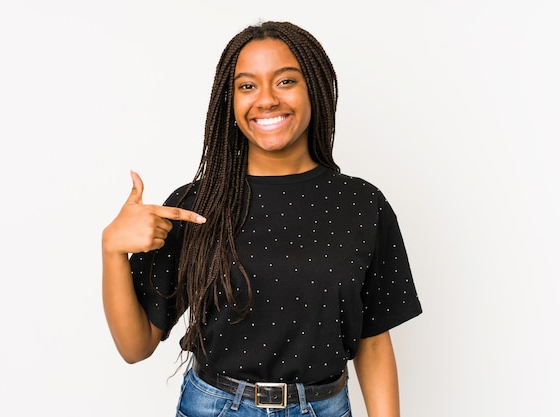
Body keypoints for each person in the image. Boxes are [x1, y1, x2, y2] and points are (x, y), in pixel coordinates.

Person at [102, 21, 422, 417]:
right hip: (215, 407)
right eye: (247, 86)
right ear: (230, 101)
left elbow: (372, 342)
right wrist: (111, 250)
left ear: (314, 89)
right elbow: (135, 347)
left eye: (285, 81)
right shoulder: (196, 204)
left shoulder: (361, 204)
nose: (266, 100)